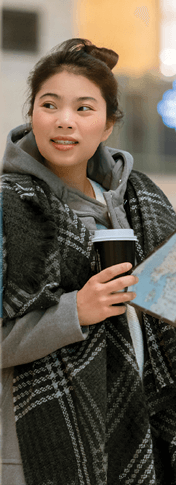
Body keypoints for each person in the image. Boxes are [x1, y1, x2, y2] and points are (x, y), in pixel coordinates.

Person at [1, 38, 176, 485]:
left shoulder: (142, 199)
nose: (64, 121)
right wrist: (74, 311)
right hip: (42, 450)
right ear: (32, 115)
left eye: (83, 108)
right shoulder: (11, 206)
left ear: (108, 124)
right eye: (50, 104)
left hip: (145, 434)